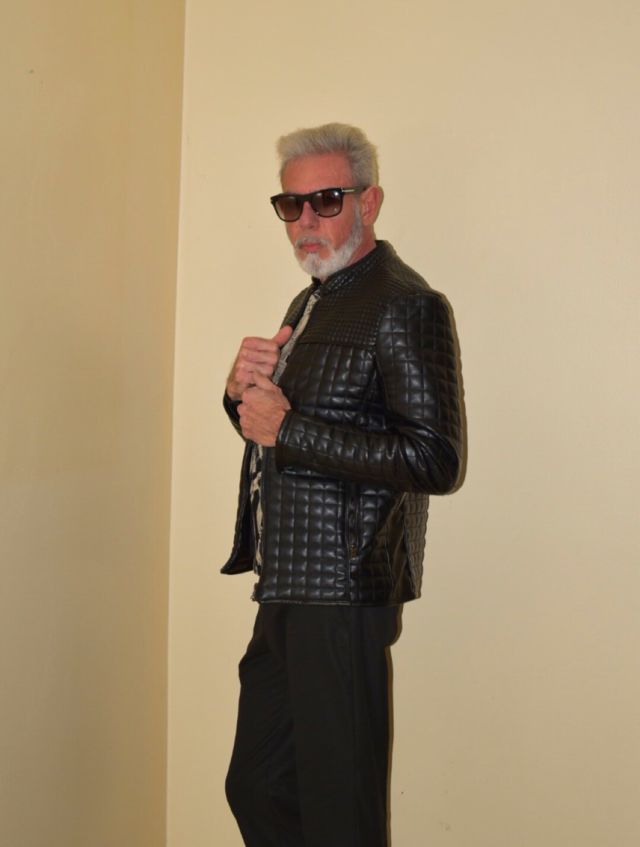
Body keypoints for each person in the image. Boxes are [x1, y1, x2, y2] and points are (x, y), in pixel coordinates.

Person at [221, 123, 464, 847]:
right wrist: (240, 395)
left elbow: (435, 459)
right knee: (257, 785)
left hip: (343, 594)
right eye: (290, 205)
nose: (306, 220)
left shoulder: (406, 303)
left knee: (340, 814)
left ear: (370, 201)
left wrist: (290, 428)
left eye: (325, 200)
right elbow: (274, 429)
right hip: (287, 586)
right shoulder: (311, 301)